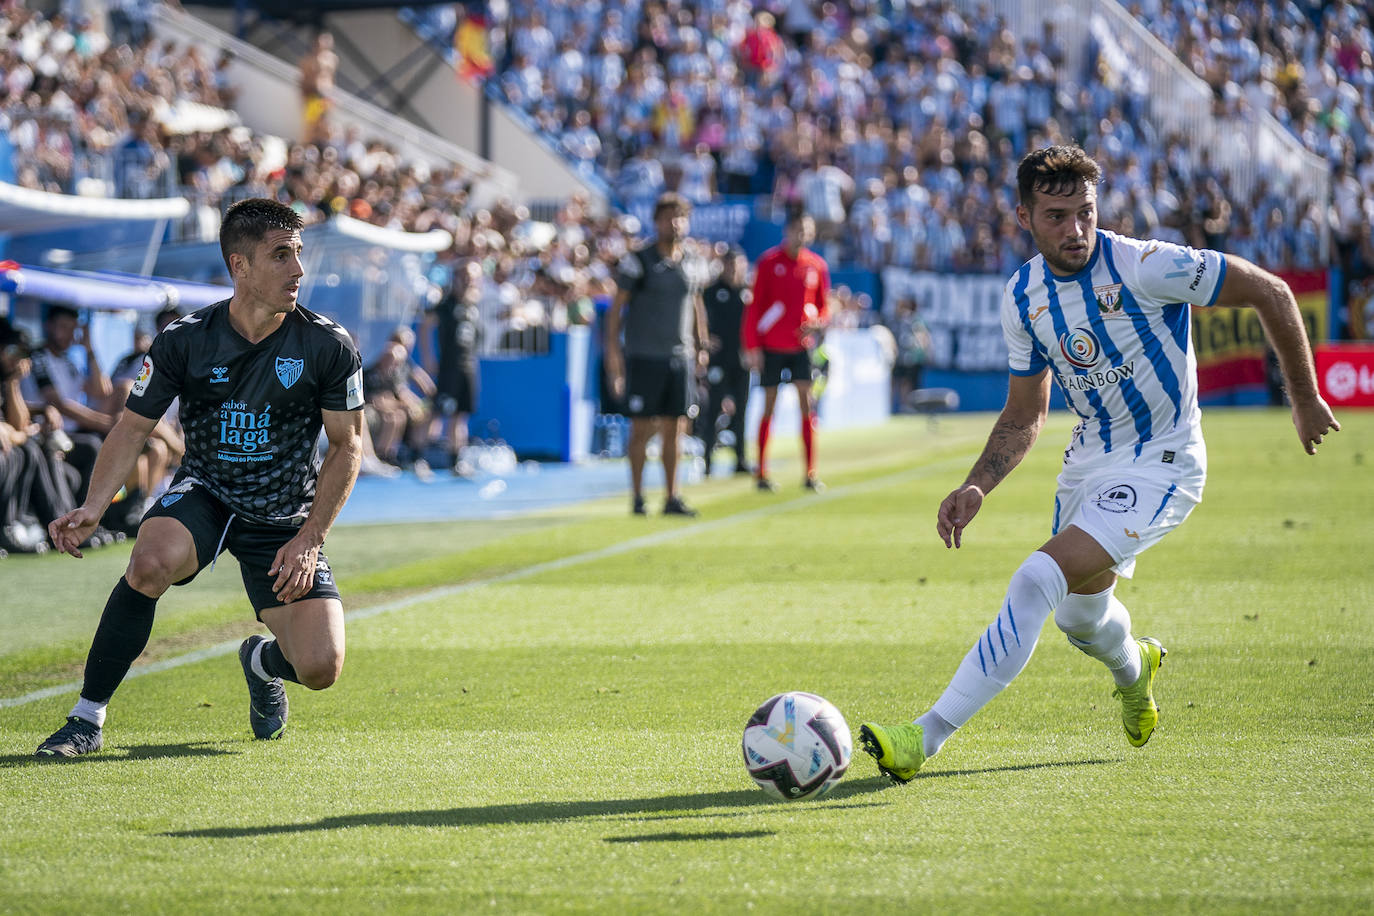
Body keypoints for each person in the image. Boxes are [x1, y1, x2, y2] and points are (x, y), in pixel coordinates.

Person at [858, 145, 1340, 783]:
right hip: (1089, 462)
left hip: (1164, 461)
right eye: (1056, 216)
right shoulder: (1024, 296)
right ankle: (1136, 669)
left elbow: (1270, 291)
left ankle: (924, 736)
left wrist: (1303, 397)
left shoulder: (1145, 265)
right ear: (1025, 216)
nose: (1076, 230)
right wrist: (978, 485)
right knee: (1079, 617)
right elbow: (1025, 414)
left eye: (1084, 212)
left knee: (1035, 579)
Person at [35, 198, 365, 758]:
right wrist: (94, 504)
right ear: (240, 266)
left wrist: (309, 537)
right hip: (206, 493)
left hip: (284, 515)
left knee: (320, 668)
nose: (298, 271)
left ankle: (261, 662)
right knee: (148, 563)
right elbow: (132, 427)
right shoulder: (185, 338)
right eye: (281, 256)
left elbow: (346, 445)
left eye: (299, 255)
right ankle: (85, 719)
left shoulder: (328, 344)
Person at [603, 192, 710, 517]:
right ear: (657, 221)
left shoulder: (692, 260)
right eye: (669, 217)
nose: (675, 223)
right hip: (644, 355)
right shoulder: (640, 260)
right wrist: (613, 354)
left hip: (680, 356)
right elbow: (617, 308)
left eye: (680, 217)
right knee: (640, 428)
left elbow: (695, 303)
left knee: (674, 429)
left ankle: (671, 496)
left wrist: (701, 343)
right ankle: (637, 496)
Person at [743, 211, 829, 492]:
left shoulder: (816, 266)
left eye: (806, 230)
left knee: (807, 404)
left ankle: (810, 472)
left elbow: (823, 306)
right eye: (797, 230)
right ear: (787, 231)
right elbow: (755, 306)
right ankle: (762, 472)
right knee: (769, 405)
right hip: (771, 347)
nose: (801, 236)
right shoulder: (769, 262)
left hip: (801, 347)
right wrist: (752, 345)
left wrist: (818, 323)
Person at [420, 260, 483, 472]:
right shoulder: (446, 304)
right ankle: (422, 456)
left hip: (469, 366)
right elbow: (425, 327)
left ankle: (457, 459)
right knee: (439, 411)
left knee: (461, 414)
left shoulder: (472, 306)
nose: (468, 282)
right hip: (449, 367)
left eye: (472, 278)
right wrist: (429, 357)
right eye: (465, 277)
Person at [701, 246, 752, 477]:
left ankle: (740, 458)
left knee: (742, 410)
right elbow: (699, 317)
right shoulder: (711, 292)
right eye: (730, 264)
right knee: (713, 410)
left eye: (738, 264)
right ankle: (707, 459)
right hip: (718, 360)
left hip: (742, 360)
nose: (734, 269)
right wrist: (704, 339)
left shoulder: (747, 293)